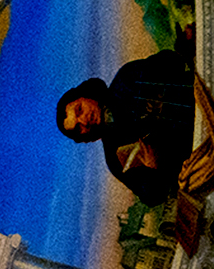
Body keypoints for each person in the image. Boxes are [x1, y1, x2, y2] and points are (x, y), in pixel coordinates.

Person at [56, 47, 201, 205]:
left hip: (207, 100)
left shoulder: (126, 79)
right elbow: (152, 198)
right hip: (203, 155)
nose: (84, 121)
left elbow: (173, 61)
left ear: (86, 96)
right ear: (83, 138)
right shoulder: (116, 159)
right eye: (78, 128)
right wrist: (152, 168)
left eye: (79, 109)